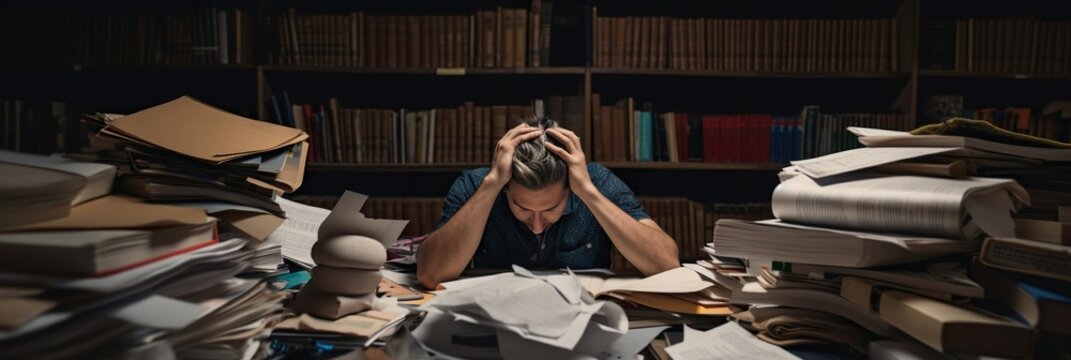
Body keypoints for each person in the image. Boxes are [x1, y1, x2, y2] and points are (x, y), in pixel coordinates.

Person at [416, 117, 679, 288]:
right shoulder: (479, 185)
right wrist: (493, 183)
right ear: (506, 188)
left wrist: (588, 192)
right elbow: (430, 274)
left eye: (552, 208)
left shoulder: (595, 182)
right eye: (522, 209)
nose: (538, 225)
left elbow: (667, 264)